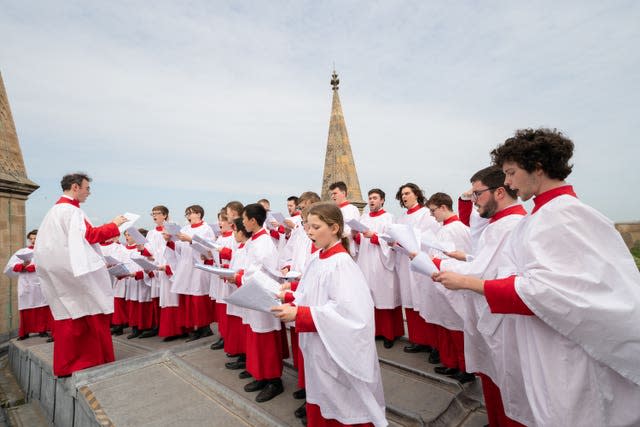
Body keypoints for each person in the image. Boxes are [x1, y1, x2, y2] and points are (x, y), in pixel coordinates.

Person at [434, 128, 640, 426]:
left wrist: (468, 282)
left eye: (511, 172)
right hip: (547, 340)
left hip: (567, 347)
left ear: (538, 168)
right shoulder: (541, 216)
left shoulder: (563, 215)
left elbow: (548, 290)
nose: (507, 181)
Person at [272, 202, 387, 427]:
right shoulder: (317, 258)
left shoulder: (342, 264)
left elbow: (351, 314)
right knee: (322, 399)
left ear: (334, 228)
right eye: (307, 226)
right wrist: (288, 294)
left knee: (342, 406)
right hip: (318, 347)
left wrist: (300, 314)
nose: (309, 231)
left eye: (315, 227)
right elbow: (310, 290)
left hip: (336, 351)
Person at [34, 172, 127, 377]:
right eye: (87, 188)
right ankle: (90, 359)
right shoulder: (71, 211)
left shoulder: (54, 211)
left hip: (61, 273)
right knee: (89, 313)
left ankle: (68, 364)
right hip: (75, 273)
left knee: (71, 317)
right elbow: (91, 235)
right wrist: (115, 224)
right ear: (75, 187)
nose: (89, 193)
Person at [234, 203, 286, 403]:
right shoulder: (254, 240)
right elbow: (249, 267)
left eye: (244, 219)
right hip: (253, 295)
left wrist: (239, 278)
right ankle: (261, 376)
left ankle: (274, 381)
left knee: (265, 340)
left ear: (253, 221)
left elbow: (265, 273)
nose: (243, 222)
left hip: (263, 296)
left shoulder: (264, 242)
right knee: (255, 337)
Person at [393, 183, 440, 358]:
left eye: (407, 193)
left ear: (416, 194)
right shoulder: (401, 217)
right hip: (405, 263)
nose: (404, 197)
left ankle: (433, 344)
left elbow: (431, 238)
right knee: (410, 300)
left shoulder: (426, 214)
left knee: (423, 301)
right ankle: (418, 340)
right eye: (402, 194)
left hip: (421, 263)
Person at [353, 189, 403, 349]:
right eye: (370, 198)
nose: (371, 201)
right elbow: (360, 241)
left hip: (382, 264)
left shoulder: (389, 218)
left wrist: (375, 237)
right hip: (366, 262)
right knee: (369, 298)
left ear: (382, 200)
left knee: (385, 297)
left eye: (375, 198)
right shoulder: (364, 217)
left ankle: (389, 334)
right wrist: (356, 235)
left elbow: (392, 241)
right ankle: (375, 331)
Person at [169, 205, 216, 341]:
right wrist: (170, 241)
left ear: (198, 214)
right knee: (189, 299)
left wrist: (190, 240)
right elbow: (178, 248)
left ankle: (204, 328)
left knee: (199, 299)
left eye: (190, 213)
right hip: (185, 266)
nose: (188, 216)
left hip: (199, 268)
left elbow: (209, 248)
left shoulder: (206, 229)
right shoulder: (185, 229)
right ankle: (195, 327)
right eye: (186, 214)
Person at [3, 229, 53, 340]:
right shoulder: (22, 252)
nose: (33, 241)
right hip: (26, 284)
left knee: (42, 306)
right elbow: (9, 267)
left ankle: (42, 329)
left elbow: (50, 265)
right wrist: (22, 266)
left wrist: (36, 267)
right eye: (31, 239)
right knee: (26, 306)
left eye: (35, 238)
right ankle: (25, 332)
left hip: (40, 284)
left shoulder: (44, 251)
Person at [329, 181, 361, 256]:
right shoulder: (333, 210)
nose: (332, 196)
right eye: (331, 194)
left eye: (335, 193)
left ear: (343, 193)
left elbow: (353, 230)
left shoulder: (352, 209)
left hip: (346, 248)